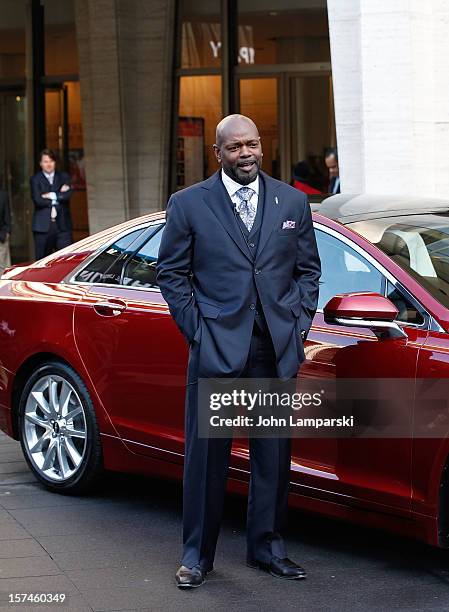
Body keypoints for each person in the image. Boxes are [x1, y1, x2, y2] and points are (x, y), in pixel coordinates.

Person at [156, 114, 321, 589]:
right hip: (217, 350)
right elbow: (171, 274)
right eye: (234, 148)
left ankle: (267, 549)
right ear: (218, 153)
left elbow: (308, 271)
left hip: (273, 348)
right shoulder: (188, 204)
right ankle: (197, 556)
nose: (244, 154)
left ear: (261, 147)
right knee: (207, 460)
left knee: (272, 456)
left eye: (251, 145)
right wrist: (198, 332)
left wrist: (297, 323)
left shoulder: (292, 200)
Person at [30, 148, 73, 261]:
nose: (48, 164)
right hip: (43, 227)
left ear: (54, 162)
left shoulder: (64, 176)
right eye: (45, 161)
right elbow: (38, 200)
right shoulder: (35, 179)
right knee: (42, 261)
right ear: (40, 163)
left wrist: (51, 195)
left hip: (62, 226)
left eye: (51, 161)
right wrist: (59, 195)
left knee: (66, 260)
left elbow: (68, 195)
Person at [0, 184, 11, 276]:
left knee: (3, 270)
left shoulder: (3, 195)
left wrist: (6, 232)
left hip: (1, 237)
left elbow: (7, 216)